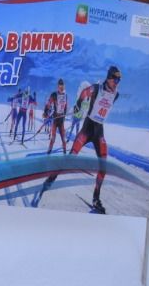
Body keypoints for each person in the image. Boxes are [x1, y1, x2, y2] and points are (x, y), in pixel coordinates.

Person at [41, 65, 121, 213]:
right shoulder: (97, 88)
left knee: (103, 166)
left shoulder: (116, 94)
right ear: (109, 78)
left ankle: (96, 198)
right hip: (87, 128)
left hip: (99, 132)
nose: (117, 82)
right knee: (71, 157)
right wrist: (78, 104)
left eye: (119, 80)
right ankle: (52, 177)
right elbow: (85, 93)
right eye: (115, 79)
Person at [42, 79, 69, 154]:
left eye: (63, 86)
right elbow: (48, 103)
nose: (62, 88)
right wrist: (45, 112)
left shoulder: (65, 95)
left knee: (63, 138)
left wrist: (64, 116)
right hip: (55, 119)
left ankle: (65, 153)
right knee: (53, 138)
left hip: (61, 120)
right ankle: (49, 151)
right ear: (58, 86)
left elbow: (66, 106)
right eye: (60, 86)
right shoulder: (54, 94)